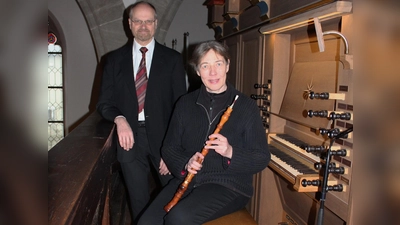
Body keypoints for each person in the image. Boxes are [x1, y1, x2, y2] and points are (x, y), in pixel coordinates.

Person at [137, 40, 270, 225]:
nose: (213, 72)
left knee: (178, 218)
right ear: (197, 71)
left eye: (218, 64)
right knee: (146, 222)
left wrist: (230, 151)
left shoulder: (245, 106)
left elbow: (262, 157)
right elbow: (170, 147)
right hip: (188, 181)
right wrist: (186, 162)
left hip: (229, 185)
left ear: (227, 66)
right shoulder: (185, 103)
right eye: (205, 66)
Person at [96, 1, 187, 222]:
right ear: (129, 24)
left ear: (156, 23)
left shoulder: (173, 60)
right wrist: (120, 120)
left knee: (175, 197)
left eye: (148, 21)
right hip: (130, 141)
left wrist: (172, 149)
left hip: (165, 140)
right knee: (138, 202)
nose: (143, 25)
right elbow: (104, 103)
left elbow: (180, 107)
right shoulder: (113, 60)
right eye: (138, 20)